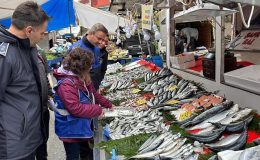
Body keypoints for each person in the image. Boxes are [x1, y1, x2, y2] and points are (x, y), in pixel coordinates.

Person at [0, 1, 50, 160]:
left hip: (31, 137)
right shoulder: (4, 55)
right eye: (42, 33)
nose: (44, 36)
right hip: (13, 145)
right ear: (29, 30)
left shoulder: (29, 47)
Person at [53, 48, 113, 160]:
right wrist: (97, 110)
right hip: (70, 129)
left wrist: (108, 104)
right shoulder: (66, 84)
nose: (91, 68)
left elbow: (93, 93)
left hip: (80, 125)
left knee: (86, 152)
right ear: (81, 68)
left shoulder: (81, 77)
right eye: (89, 66)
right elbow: (75, 108)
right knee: (73, 156)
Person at [69, 23, 108, 90]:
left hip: (94, 90)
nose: (100, 42)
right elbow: (70, 75)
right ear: (91, 33)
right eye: (99, 38)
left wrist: (97, 83)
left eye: (102, 39)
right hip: (82, 92)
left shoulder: (97, 48)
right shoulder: (77, 49)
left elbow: (100, 68)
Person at [36, 48, 54, 160]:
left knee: (44, 137)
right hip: (28, 112)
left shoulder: (40, 53)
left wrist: (50, 93)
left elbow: (45, 76)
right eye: (41, 33)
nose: (43, 37)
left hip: (43, 108)